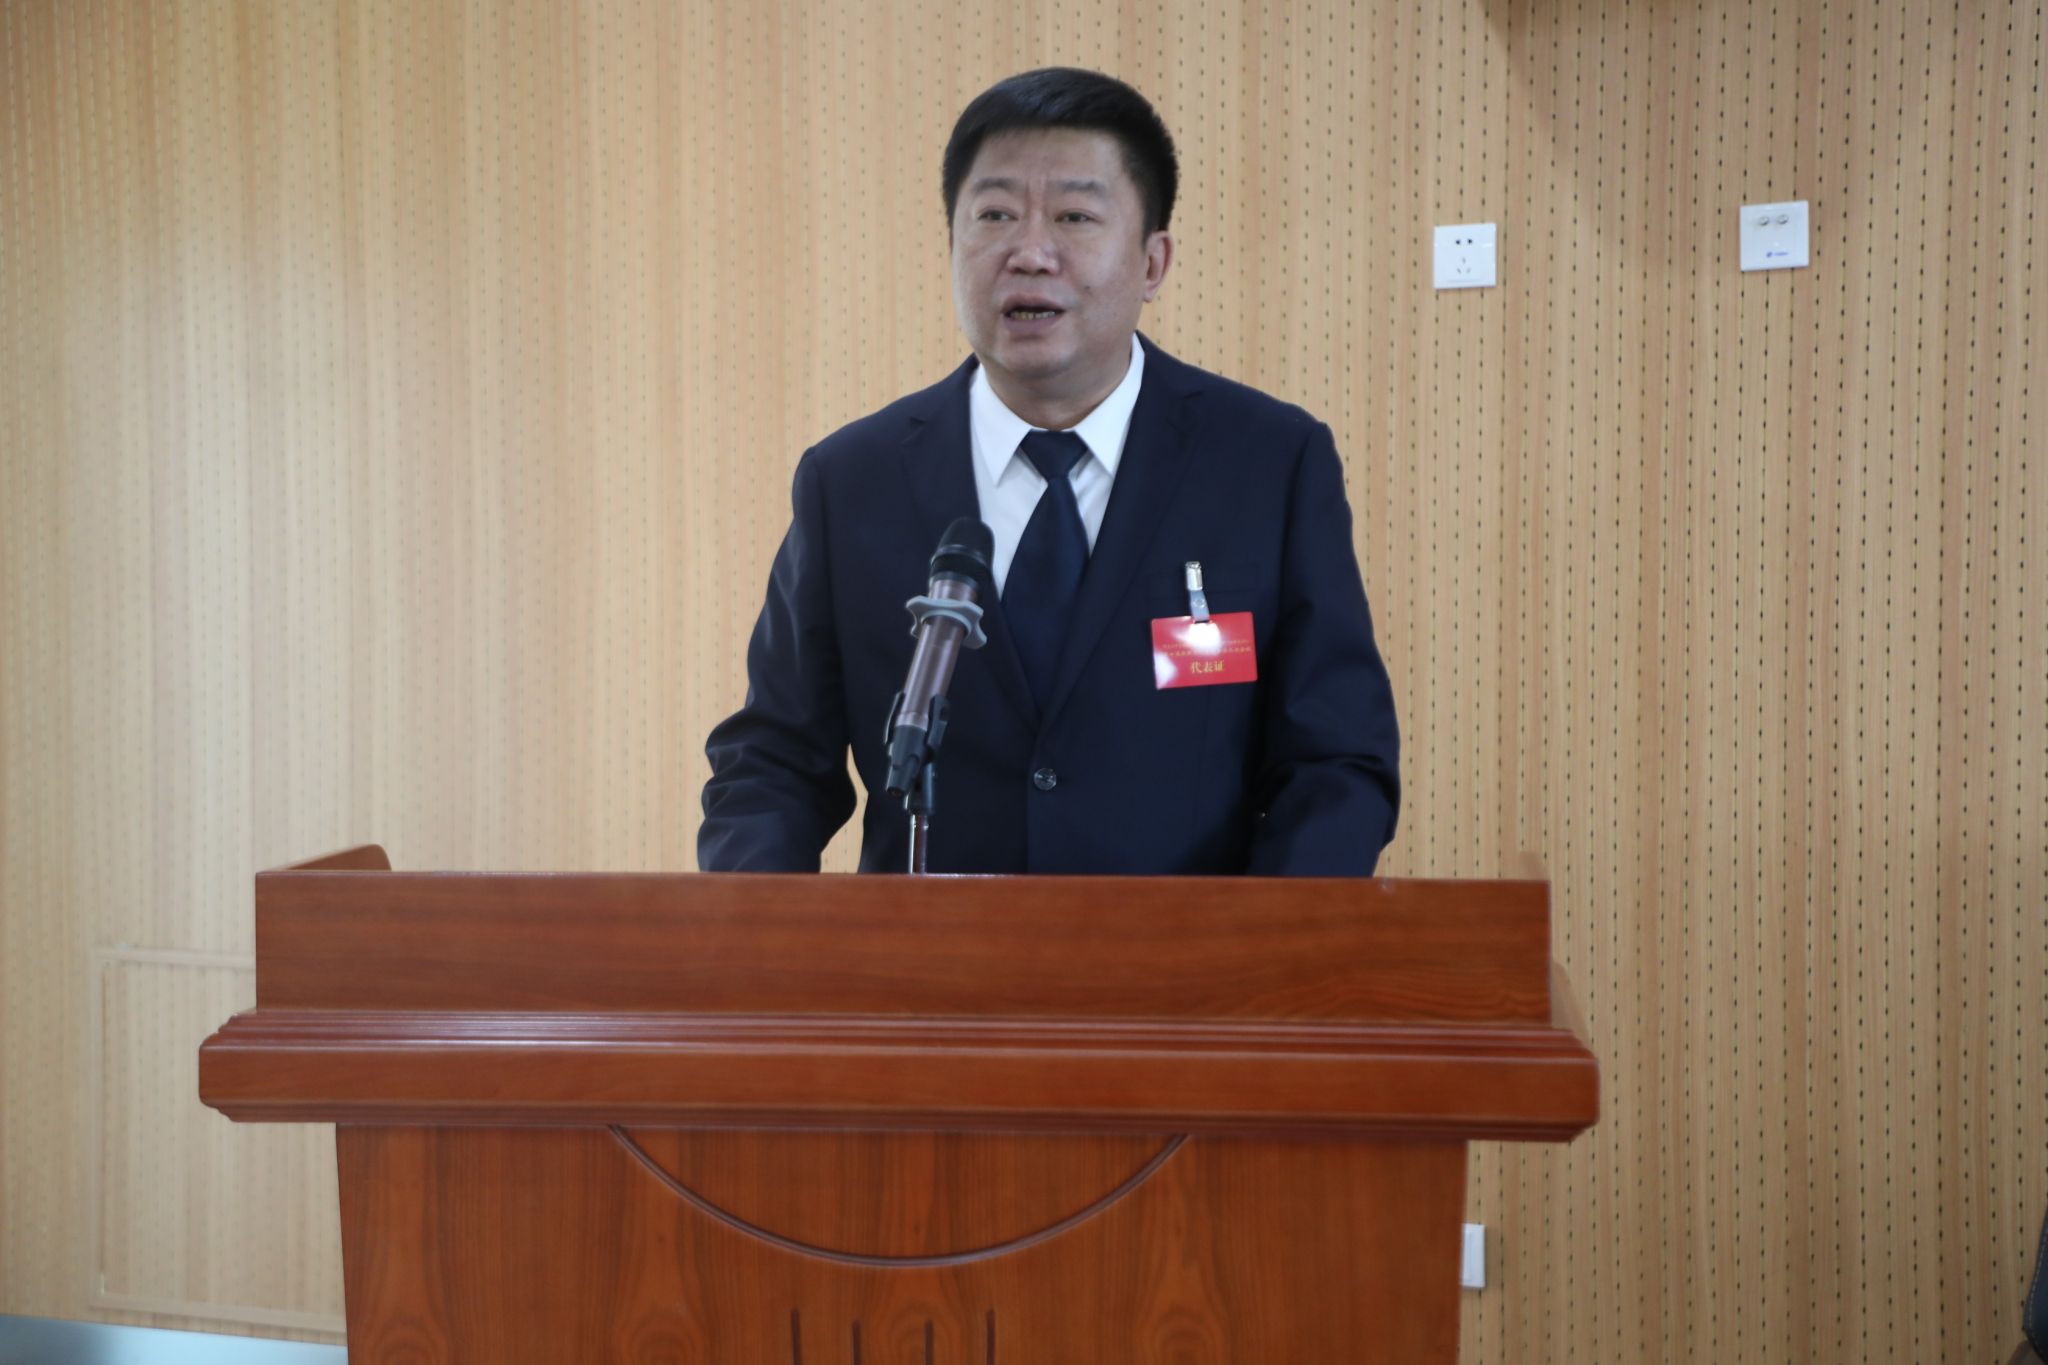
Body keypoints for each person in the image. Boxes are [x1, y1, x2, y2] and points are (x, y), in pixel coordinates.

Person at [699, 67, 1399, 875]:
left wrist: (1264, 940)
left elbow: (1336, 761)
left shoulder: (1268, 464)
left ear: (1153, 262)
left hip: (1189, 955)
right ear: (952, 246)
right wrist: (758, 932)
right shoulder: (852, 480)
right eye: (994, 215)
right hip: (927, 952)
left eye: (1075, 216)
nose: (1029, 253)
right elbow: (775, 763)